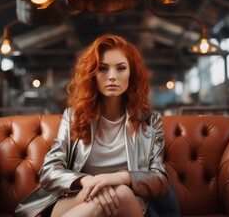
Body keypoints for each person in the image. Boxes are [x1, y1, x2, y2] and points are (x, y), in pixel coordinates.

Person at [15, 34, 169, 217]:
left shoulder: (151, 120)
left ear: (132, 73)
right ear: (92, 75)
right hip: (78, 197)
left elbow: (160, 180)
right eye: (102, 69)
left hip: (128, 205)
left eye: (121, 68)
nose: (112, 76)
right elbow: (49, 171)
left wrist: (118, 178)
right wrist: (87, 181)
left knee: (121, 193)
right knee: (114, 195)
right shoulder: (73, 116)